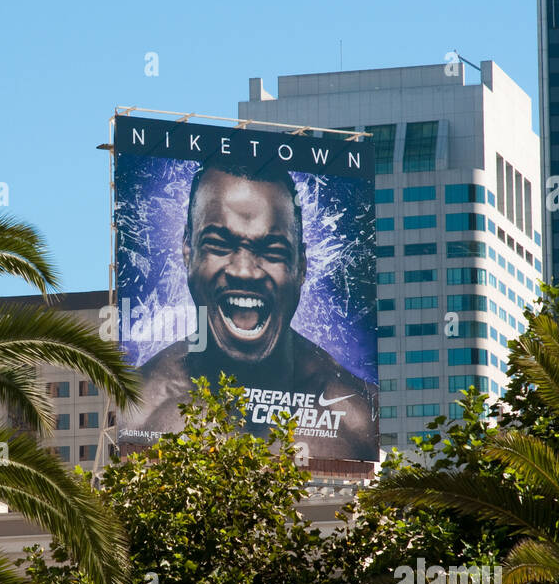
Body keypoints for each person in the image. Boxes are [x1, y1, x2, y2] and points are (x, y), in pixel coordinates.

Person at [126, 157, 378, 461]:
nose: (244, 272)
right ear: (187, 252)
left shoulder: (359, 419)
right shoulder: (137, 411)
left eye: (271, 250)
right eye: (219, 245)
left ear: (301, 266)